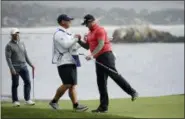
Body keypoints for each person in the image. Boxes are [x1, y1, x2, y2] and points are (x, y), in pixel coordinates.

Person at [78, 14, 138, 113]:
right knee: (101, 83)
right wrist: (79, 40)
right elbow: (87, 47)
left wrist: (92, 55)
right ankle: (103, 107)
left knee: (115, 76)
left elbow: (101, 44)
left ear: (91, 21)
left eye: (86, 23)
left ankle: (133, 92)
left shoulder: (100, 30)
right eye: (85, 24)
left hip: (106, 56)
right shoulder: (89, 33)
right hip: (98, 59)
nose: (86, 26)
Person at [49, 14, 88, 112]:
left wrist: (82, 41)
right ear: (62, 22)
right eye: (68, 20)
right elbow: (66, 45)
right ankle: (54, 101)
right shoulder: (58, 33)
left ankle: (76, 106)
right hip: (63, 62)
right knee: (67, 84)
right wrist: (76, 38)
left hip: (71, 61)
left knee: (72, 85)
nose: (70, 22)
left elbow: (73, 47)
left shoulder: (68, 33)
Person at [5, 28, 35, 107]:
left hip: (23, 66)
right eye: (16, 33)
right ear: (12, 35)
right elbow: (8, 58)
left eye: (18, 33)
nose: (18, 35)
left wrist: (31, 65)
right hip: (15, 68)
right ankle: (15, 101)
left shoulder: (22, 43)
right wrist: (11, 69)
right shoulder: (9, 45)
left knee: (27, 82)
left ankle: (27, 99)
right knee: (15, 84)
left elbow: (25, 55)